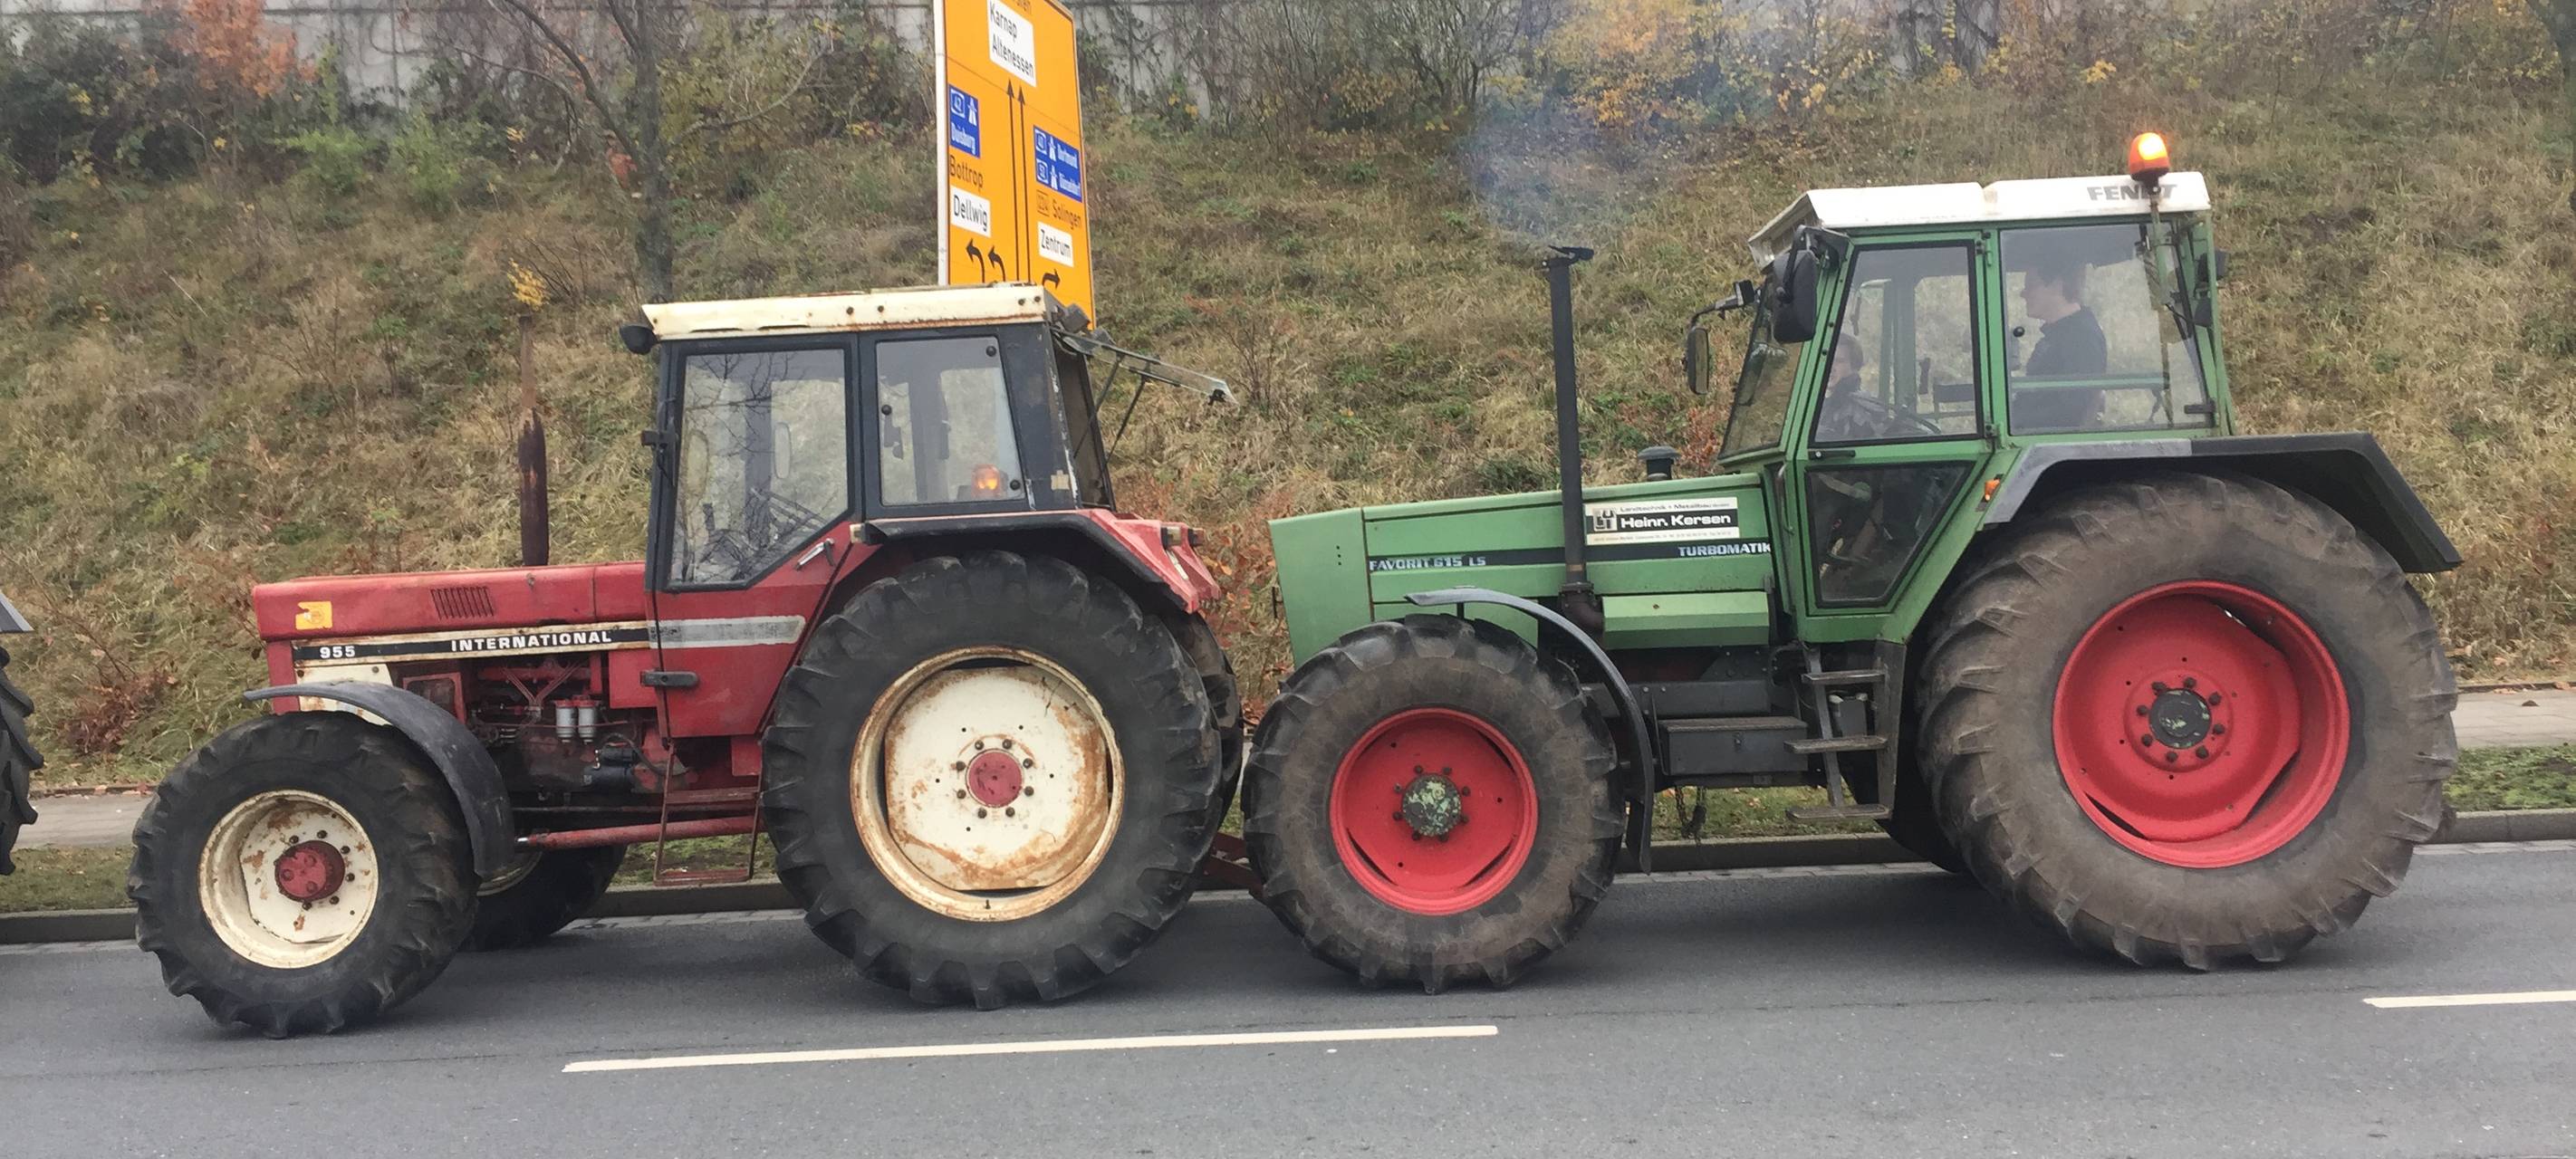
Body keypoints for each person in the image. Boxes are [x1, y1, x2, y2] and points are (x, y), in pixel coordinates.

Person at [2014, 259, 2107, 430]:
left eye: (2031, 285)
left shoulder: (2082, 338)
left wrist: (2017, 422)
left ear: (2056, 284)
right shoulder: (2057, 336)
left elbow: (2073, 411)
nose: (2023, 293)